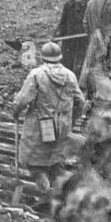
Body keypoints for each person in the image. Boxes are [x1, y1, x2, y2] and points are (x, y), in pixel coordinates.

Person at [12, 40, 85, 200]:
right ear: (60, 57)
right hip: (63, 126)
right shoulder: (70, 75)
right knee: (55, 161)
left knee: (34, 163)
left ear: (43, 57)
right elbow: (80, 101)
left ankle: (49, 195)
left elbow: (22, 100)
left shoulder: (36, 75)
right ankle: (69, 193)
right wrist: (71, 120)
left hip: (40, 127)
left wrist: (15, 111)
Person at [55, 0, 89, 79]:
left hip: (83, 41)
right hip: (69, 41)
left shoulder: (88, 4)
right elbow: (63, 23)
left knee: (81, 66)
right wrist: (56, 36)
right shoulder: (68, 4)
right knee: (66, 64)